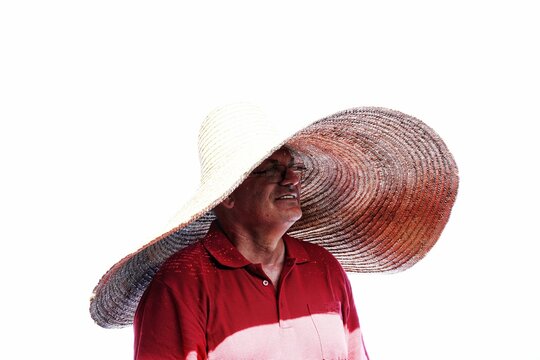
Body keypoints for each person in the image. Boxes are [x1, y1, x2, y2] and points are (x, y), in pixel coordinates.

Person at [90, 103, 459, 360]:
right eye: (268, 169)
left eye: (292, 166)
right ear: (228, 195)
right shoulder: (183, 283)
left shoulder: (323, 268)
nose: (292, 178)